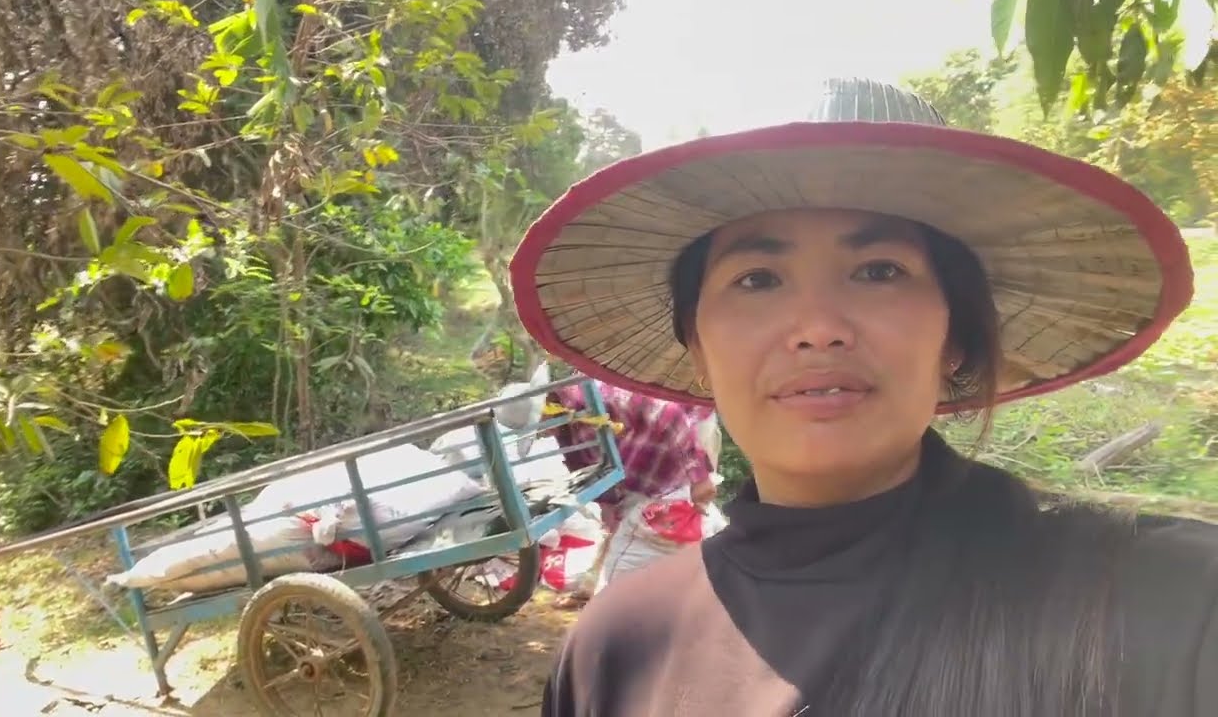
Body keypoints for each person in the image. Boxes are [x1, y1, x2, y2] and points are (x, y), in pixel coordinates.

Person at [509, 77, 1213, 716]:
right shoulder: (616, 649)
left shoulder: (1164, 605)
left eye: (879, 271)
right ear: (697, 349)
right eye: (757, 279)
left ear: (955, 335)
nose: (818, 328)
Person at [544, 378, 718, 606]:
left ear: (549, 407)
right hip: (638, 463)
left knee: (688, 513)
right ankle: (593, 590)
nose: (541, 435)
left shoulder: (604, 394)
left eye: (540, 426)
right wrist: (607, 503)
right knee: (625, 528)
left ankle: (715, 585)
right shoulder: (564, 429)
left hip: (685, 435)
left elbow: (670, 414)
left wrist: (698, 476)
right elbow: (585, 467)